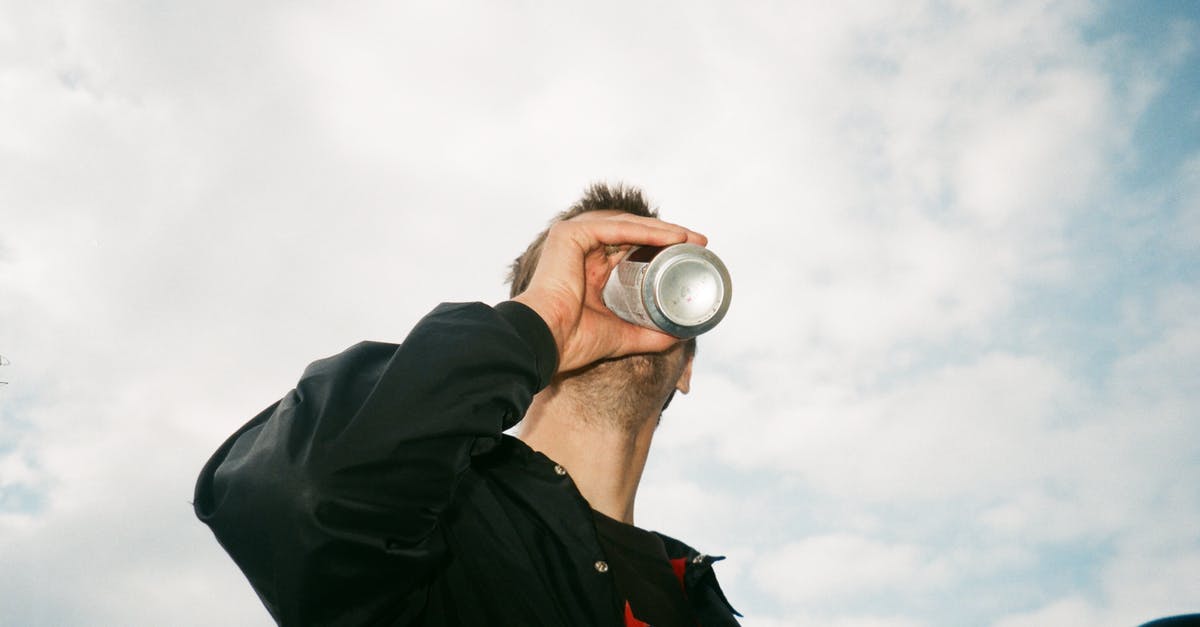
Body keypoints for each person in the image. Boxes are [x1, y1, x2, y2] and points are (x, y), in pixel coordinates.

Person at [194, 184, 742, 626]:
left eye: (652, 281)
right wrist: (540, 325)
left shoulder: (694, 599)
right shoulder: (435, 529)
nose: (623, 310)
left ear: (686, 367)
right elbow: (297, 496)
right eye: (585, 285)